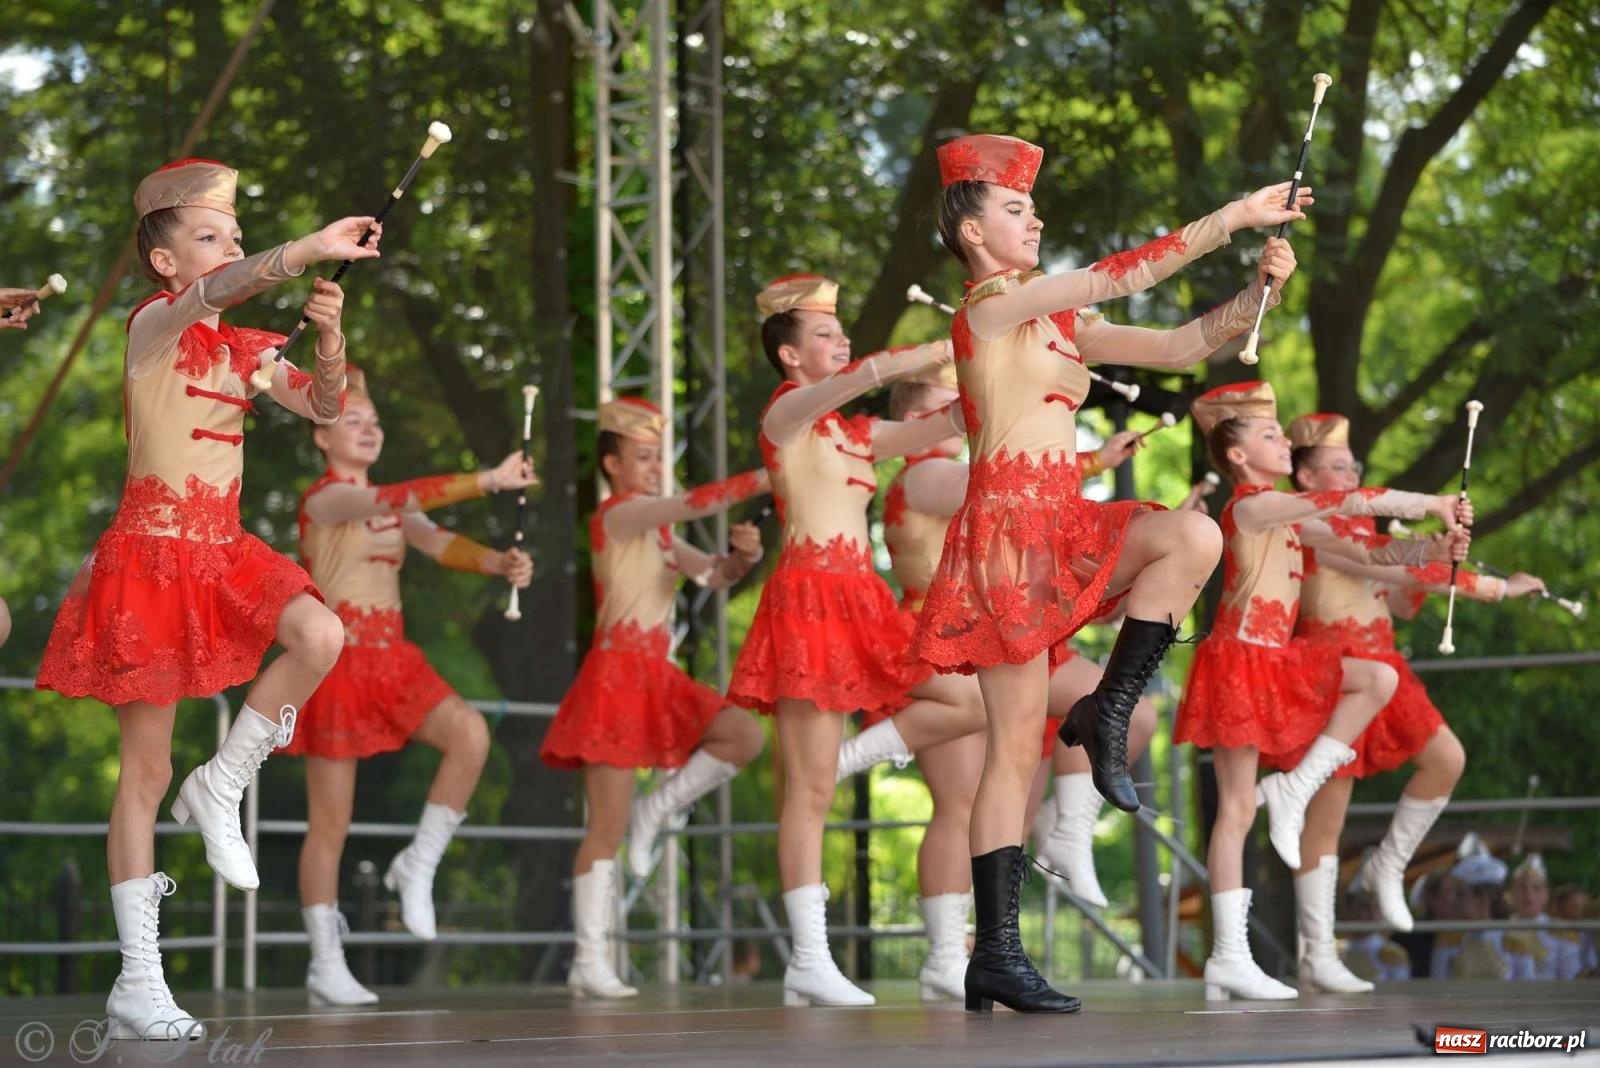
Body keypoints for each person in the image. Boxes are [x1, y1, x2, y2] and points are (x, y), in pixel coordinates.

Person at [918, 131, 1309, 1014]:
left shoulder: (1055, 321)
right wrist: (1236, 216)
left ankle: (1109, 708)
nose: (1034, 219)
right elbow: (1118, 274)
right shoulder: (989, 309)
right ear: (973, 233)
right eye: (1016, 209)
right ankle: (997, 955)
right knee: (1010, 755)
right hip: (1011, 537)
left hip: (1064, 518)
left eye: (1031, 208)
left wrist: (1258, 293)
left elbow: (1178, 346)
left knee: (1191, 541)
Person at [35, 158, 379, 1040]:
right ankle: (138, 979)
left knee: (320, 633)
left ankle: (223, 780)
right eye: (210, 237)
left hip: (223, 552)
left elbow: (324, 408)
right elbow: (230, 286)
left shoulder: (243, 354)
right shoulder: (152, 326)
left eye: (234, 233)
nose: (229, 250)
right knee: (142, 773)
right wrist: (302, 249)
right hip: (150, 560)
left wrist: (331, 340)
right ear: (165, 262)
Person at [726, 273, 988, 1007]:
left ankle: (849, 756)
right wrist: (933, 346)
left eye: (838, 331)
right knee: (808, 796)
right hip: (809, 597)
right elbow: (870, 374)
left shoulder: (855, 432)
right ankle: (808, 959)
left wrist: (1000, 359)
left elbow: (944, 427)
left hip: (864, 598)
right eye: (823, 333)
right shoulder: (787, 415)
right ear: (789, 357)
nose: (840, 340)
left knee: (967, 698)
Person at [1178, 380, 1469, 1000]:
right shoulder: (1252, 507)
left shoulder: (1285, 513)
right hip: (1240, 662)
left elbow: (1367, 554)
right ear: (1236, 456)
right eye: (1269, 435)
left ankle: (1295, 785)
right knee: (1232, 813)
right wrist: (1429, 500)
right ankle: (1229, 955)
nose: (1282, 441)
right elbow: (1347, 502)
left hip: (1278, 662)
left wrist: (1435, 549)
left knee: (1378, 677)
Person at [286, 367, 536, 1004]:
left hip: (393, 657)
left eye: (374, 422)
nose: (369, 431)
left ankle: (418, 860)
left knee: (471, 737)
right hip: (337, 662)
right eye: (351, 421)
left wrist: (495, 562)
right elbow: (388, 502)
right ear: (321, 435)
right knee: (331, 822)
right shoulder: (325, 500)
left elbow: (440, 542)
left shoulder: (398, 504)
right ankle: (324, 960)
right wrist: (488, 479)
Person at [1287, 412, 1545, 958]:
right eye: (1337, 466)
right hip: (1338, 672)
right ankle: (1317, 951)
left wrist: (1436, 552)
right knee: (1326, 815)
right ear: (1305, 478)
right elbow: (1384, 564)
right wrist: (1487, 580)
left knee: (1446, 758)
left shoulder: (1363, 526)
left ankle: (1390, 863)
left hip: (1385, 665)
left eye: (1352, 464)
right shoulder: (1307, 524)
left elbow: (1400, 591)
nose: (1351, 474)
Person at [541, 396, 769, 999]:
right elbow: (693, 502)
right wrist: (769, 473)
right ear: (612, 464)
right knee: (605, 824)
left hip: (656, 674)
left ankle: (658, 808)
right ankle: (588, 958)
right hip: (615, 676)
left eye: (658, 456)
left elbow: (713, 574)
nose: (653, 465)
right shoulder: (617, 517)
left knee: (744, 734)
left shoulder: (659, 530)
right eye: (642, 456)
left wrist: (744, 558)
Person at [1503, 854, 1584, 980]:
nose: (1528, 894)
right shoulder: (1500, 930)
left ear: (1546, 894)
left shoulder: (1561, 932)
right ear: (1511, 893)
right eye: (1522, 887)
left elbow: (1571, 978)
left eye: (1536, 888)